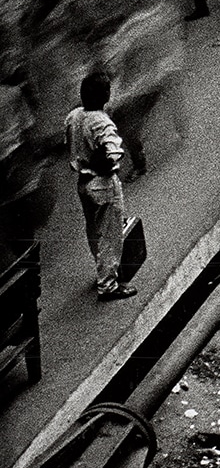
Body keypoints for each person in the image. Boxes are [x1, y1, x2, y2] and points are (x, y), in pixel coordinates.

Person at [65, 74, 133, 300]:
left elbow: (69, 143)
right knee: (111, 235)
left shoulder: (74, 116)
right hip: (102, 183)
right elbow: (113, 152)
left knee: (93, 230)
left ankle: (101, 270)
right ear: (104, 95)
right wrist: (100, 162)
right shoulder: (101, 121)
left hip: (82, 183)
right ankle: (108, 285)